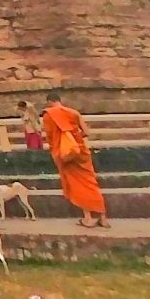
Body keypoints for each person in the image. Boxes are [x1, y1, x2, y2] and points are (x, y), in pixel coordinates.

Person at [42, 92, 109, 228]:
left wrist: (63, 144)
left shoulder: (49, 115)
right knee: (91, 183)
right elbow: (87, 132)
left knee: (78, 185)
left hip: (66, 154)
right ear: (60, 100)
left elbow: (51, 138)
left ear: (50, 102)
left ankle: (88, 218)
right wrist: (74, 138)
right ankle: (103, 218)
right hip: (81, 151)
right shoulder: (74, 113)